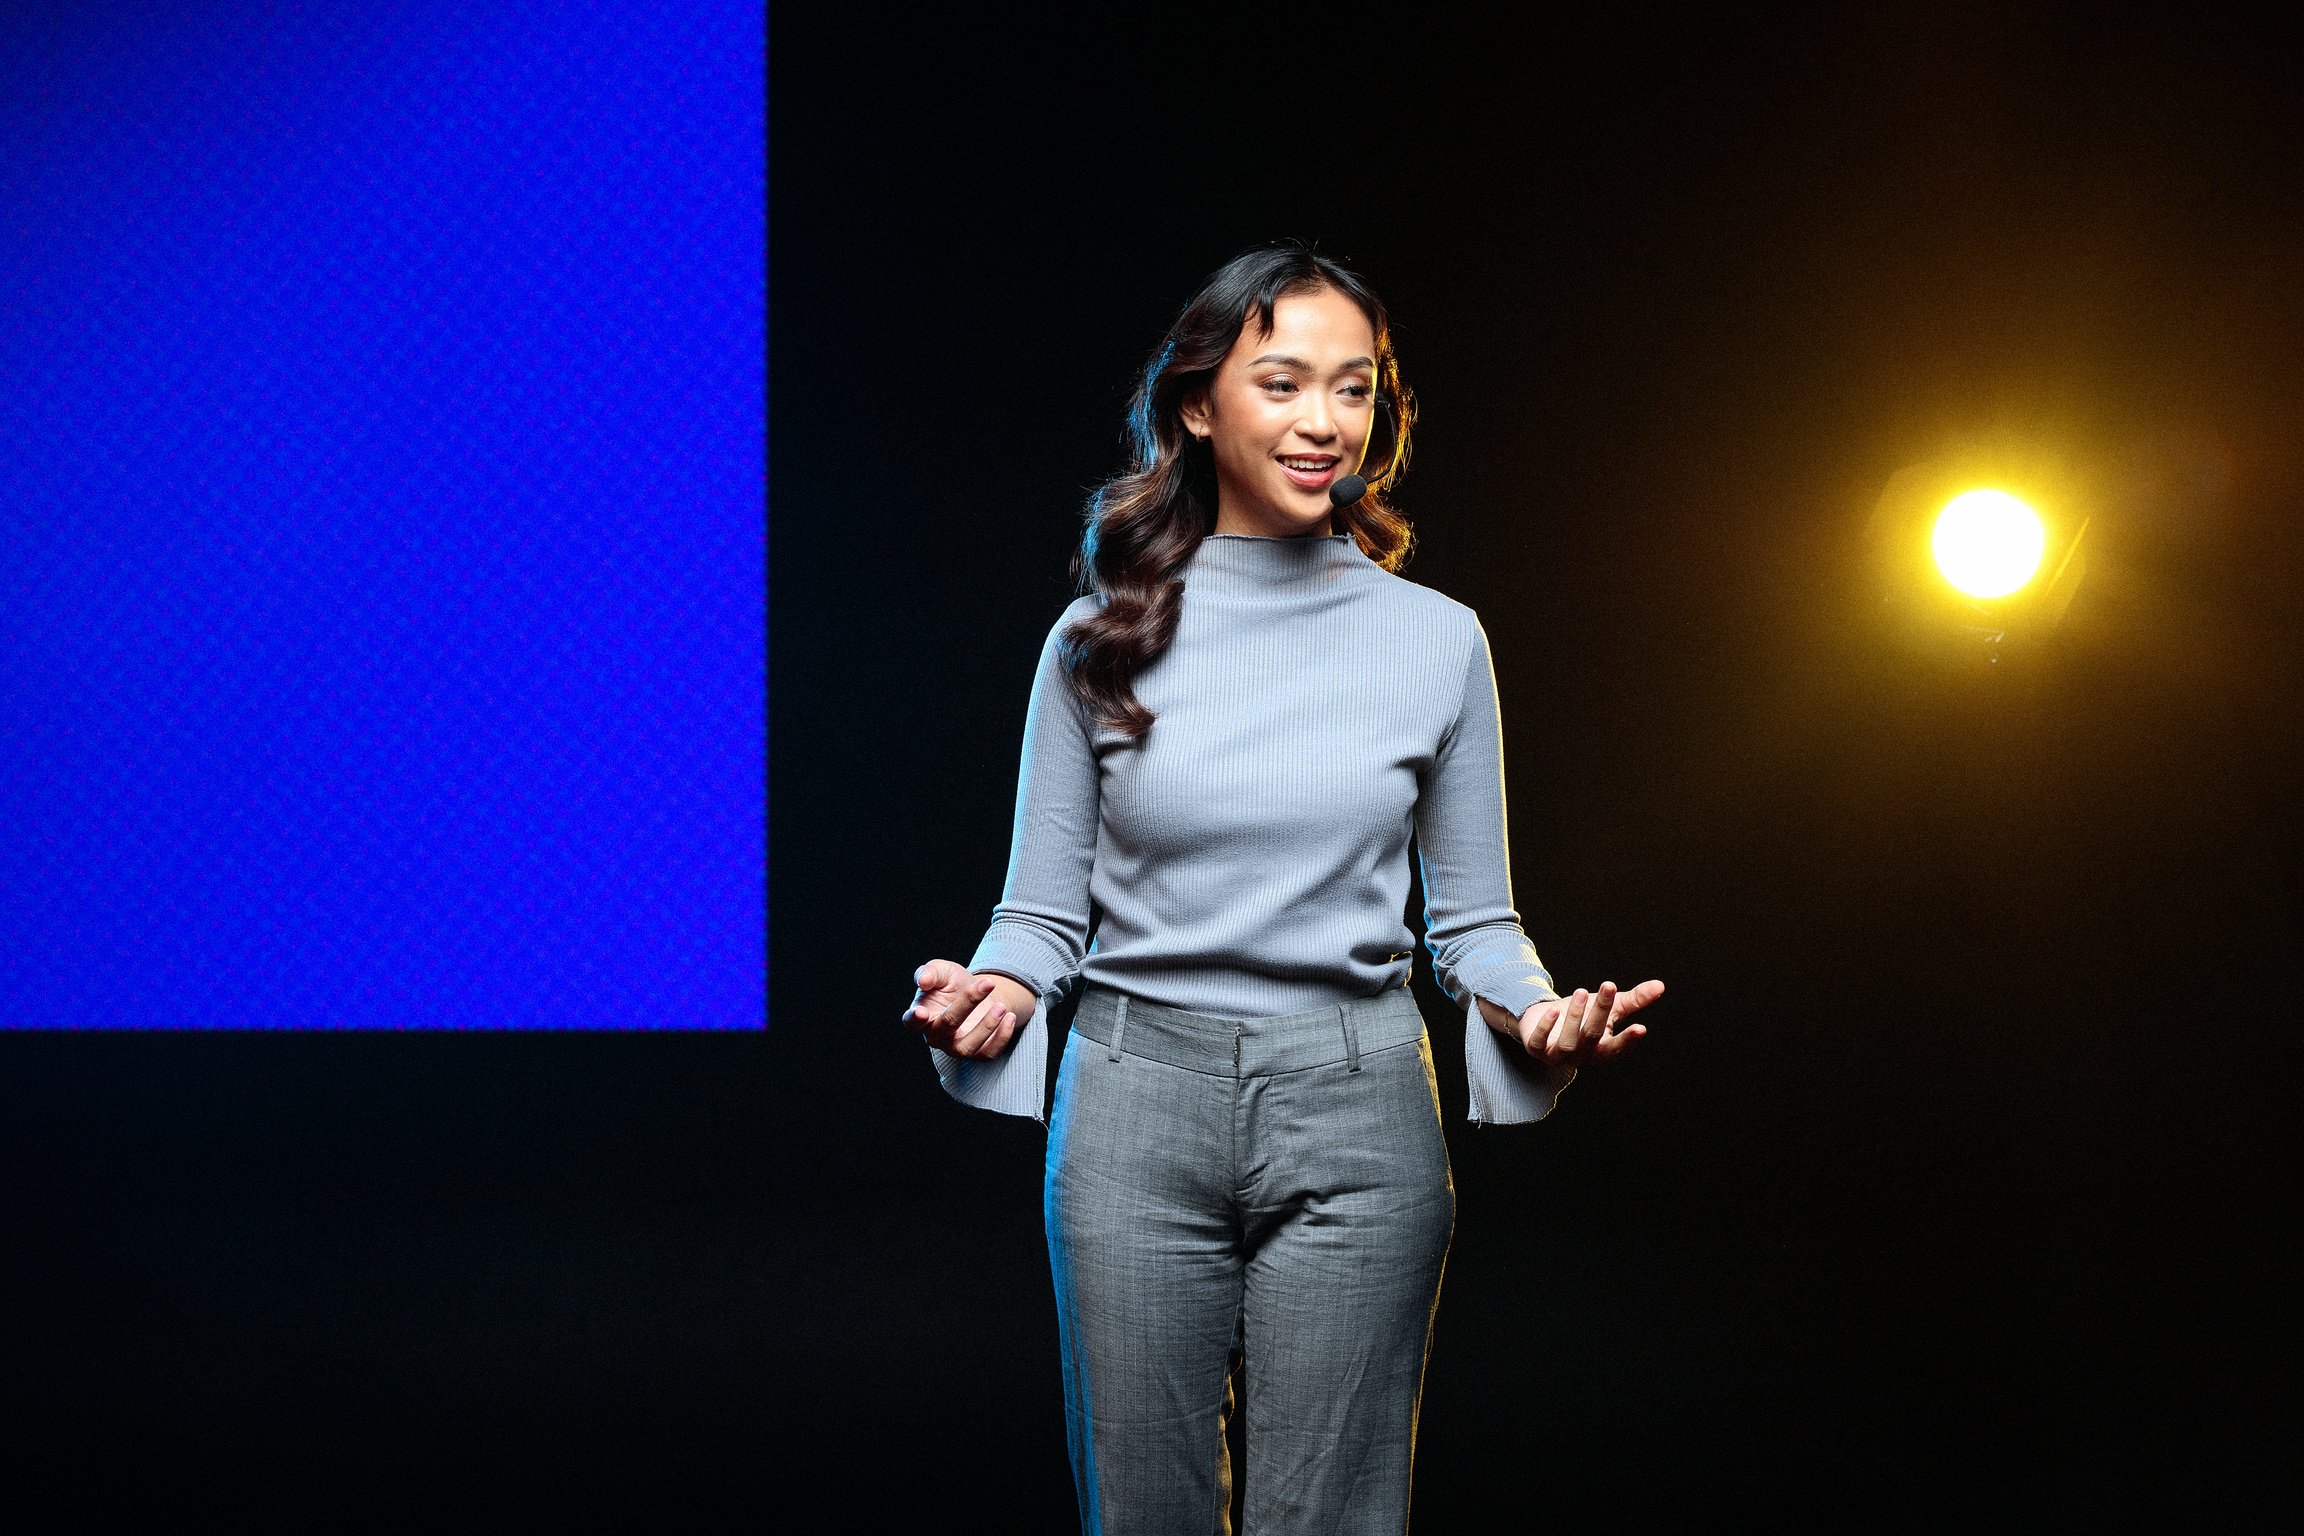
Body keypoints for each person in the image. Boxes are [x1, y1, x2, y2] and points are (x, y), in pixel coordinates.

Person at [899, 241, 1665, 1534]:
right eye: (1283, 381)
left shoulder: (1438, 639)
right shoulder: (1095, 640)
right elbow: (1039, 911)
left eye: (1354, 387)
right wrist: (995, 987)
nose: (1323, 421)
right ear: (1200, 403)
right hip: (1136, 1112)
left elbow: (1472, 921)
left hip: (1361, 1113)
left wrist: (1537, 1018)